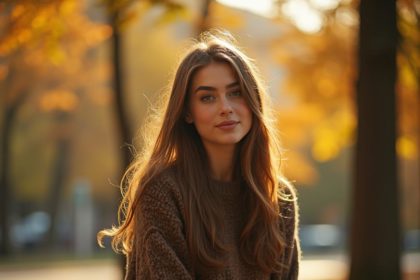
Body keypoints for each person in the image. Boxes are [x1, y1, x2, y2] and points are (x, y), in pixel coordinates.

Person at [98, 30, 300, 280]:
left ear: (253, 101)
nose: (225, 108)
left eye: (235, 93)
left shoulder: (277, 197)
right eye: (208, 98)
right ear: (187, 112)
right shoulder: (162, 191)